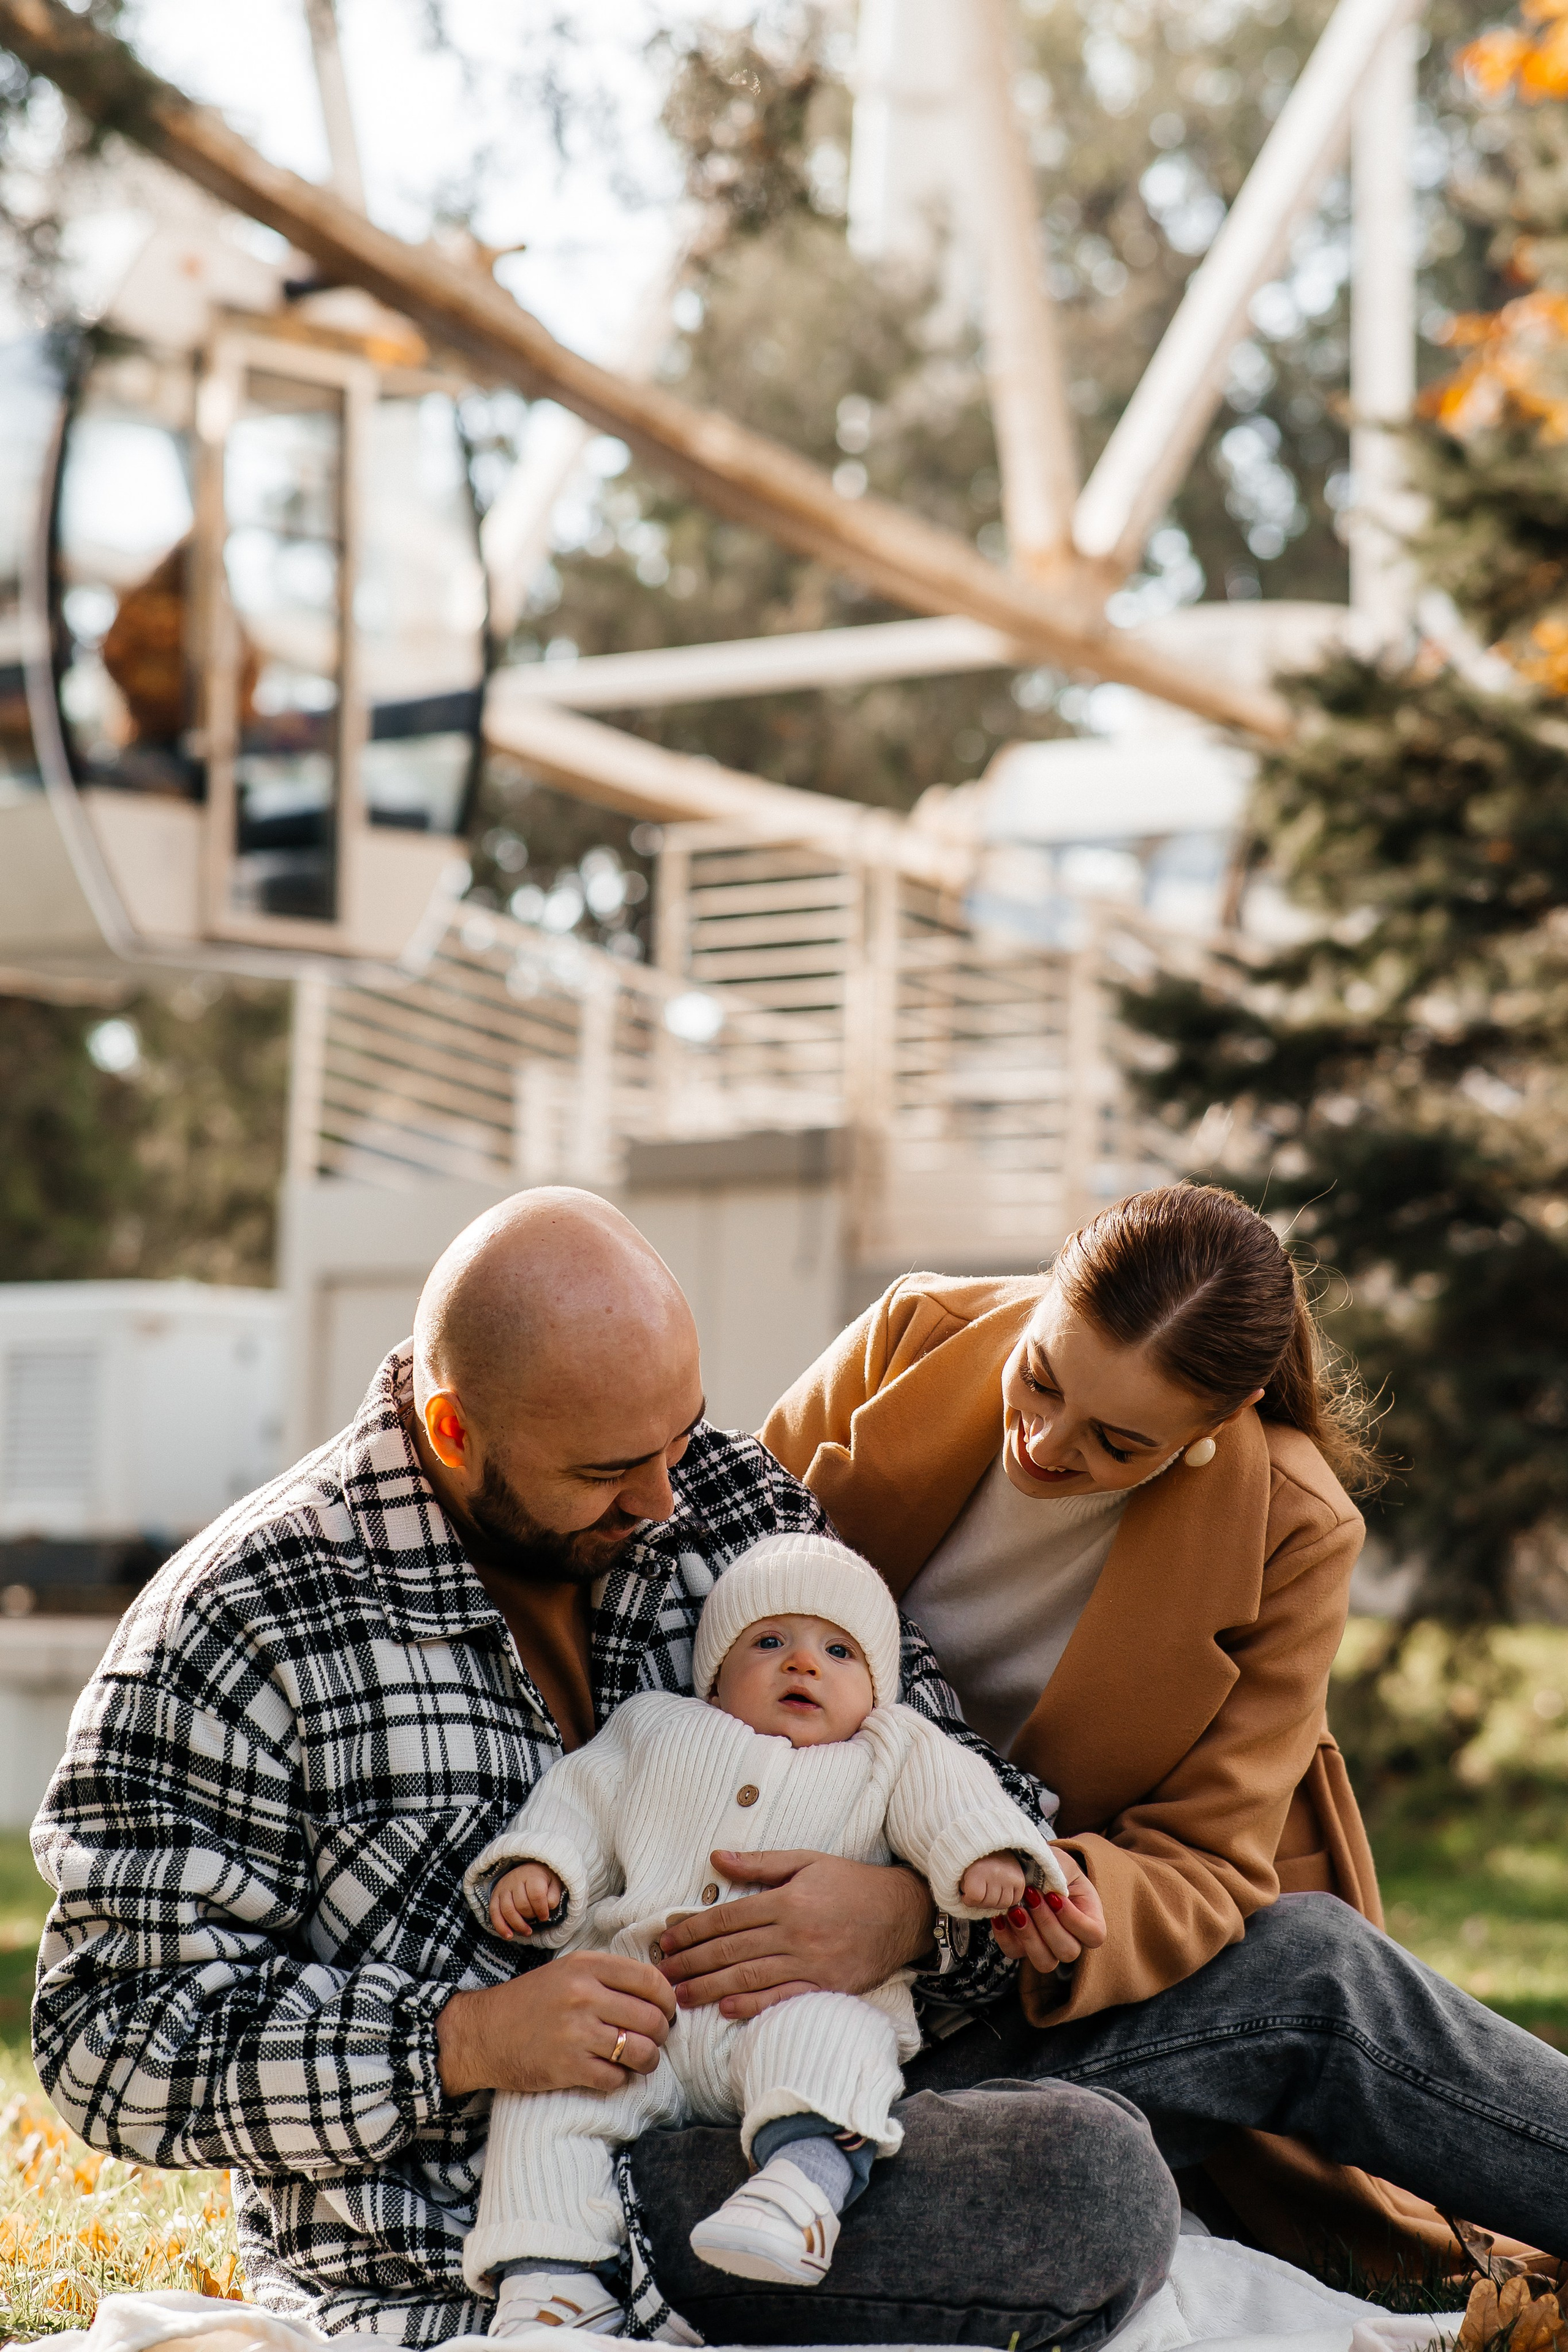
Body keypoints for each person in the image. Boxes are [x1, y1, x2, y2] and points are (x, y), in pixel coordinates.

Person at [30, 1187, 1177, 2348]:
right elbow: (107, 2037)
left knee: (1297, 1961)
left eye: (681, 1434)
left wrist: (901, 1915)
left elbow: (955, 1779)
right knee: (1095, 2182)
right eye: (610, 1470)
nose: (665, 1499)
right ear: (453, 1432)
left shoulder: (725, 1496)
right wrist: (464, 2040)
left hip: (814, 2080)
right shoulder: (244, 1621)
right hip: (527, 2198)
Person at [728, 1182, 1568, 2274]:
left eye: (1118, 1443)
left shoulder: (1293, 1529)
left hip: (993, 1985)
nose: (1043, 1444)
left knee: (1316, 1970)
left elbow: (1205, 1865)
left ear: (1220, 1423)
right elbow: (715, 1582)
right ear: (1047, 1289)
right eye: (1038, 1380)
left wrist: (930, 1915)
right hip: (738, 1983)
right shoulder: (910, 1340)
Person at [464, 1532, 1072, 2337]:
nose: (803, 1664)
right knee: (546, 2099)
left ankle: (803, 2188)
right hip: (643, 2012)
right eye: (770, 1641)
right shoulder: (655, 1728)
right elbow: (578, 1801)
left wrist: (985, 1859)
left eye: (839, 1650)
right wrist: (542, 1868)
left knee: (834, 2036)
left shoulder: (894, 1749)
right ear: (715, 1679)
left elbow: (959, 1803)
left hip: (791, 2009)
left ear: (879, 1689)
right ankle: (552, 2285)